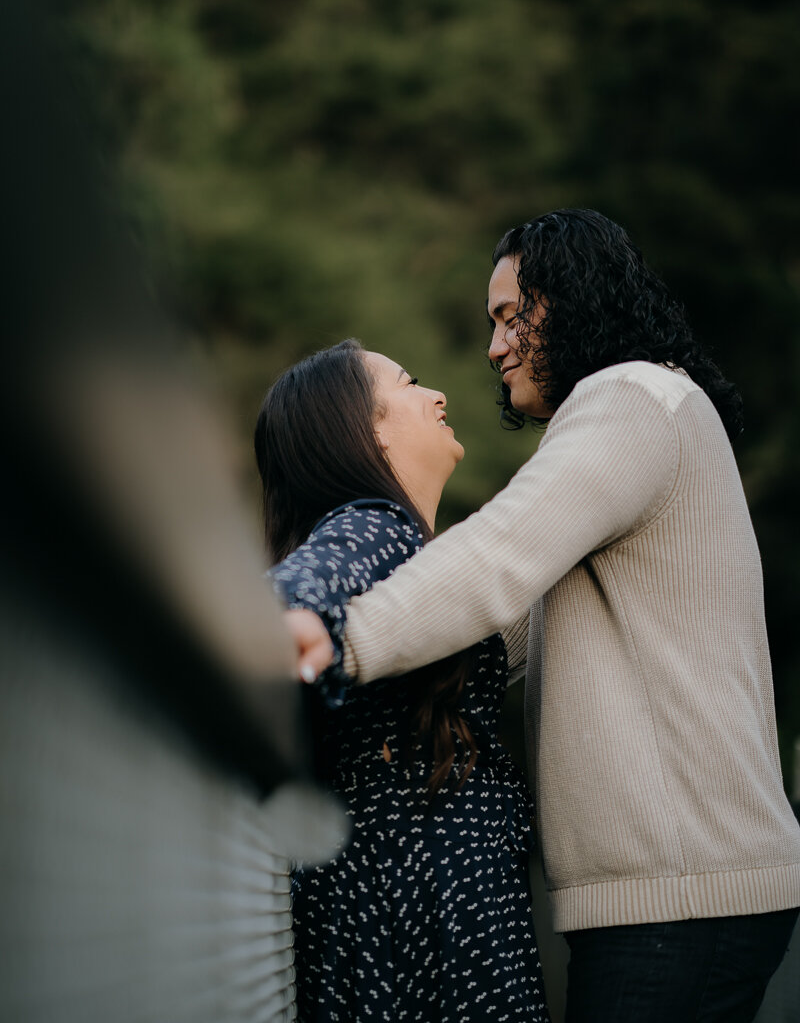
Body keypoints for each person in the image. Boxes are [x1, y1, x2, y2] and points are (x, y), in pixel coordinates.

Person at [290, 211, 800, 1023]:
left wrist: (340, 637)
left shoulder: (634, 397)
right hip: (672, 895)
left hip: (679, 896)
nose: (493, 349)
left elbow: (498, 555)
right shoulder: (635, 419)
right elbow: (495, 636)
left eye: (507, 315)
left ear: (568, 298)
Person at [255, 339, 550, 1022]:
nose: (438, 395)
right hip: (424, 909)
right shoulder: (375, 526)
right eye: (410, 384)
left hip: (398, 901)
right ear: (362, 429)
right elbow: (294, 592)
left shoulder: (402, 547)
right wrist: (289, 618)